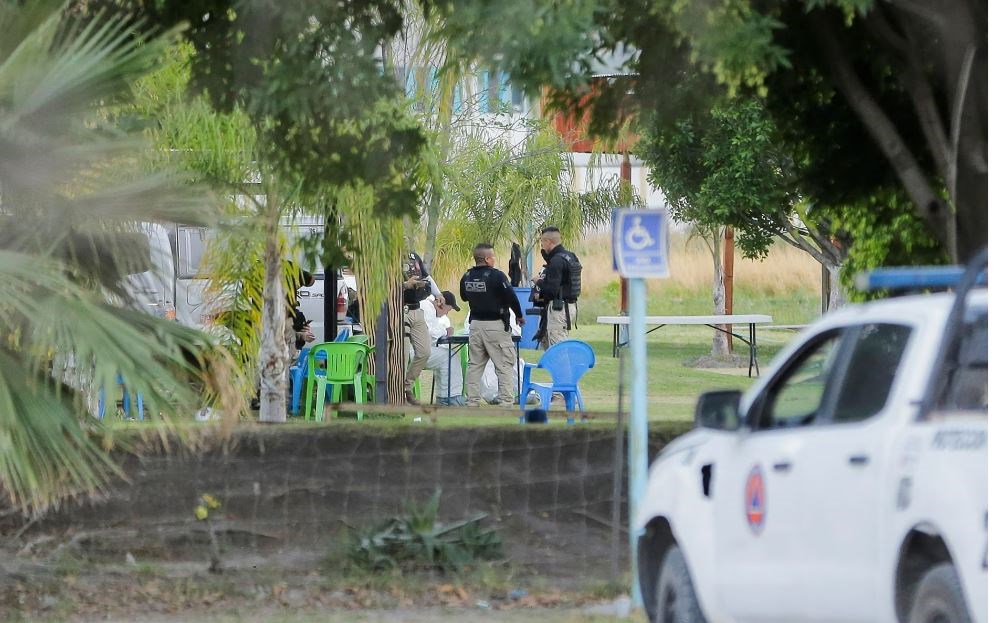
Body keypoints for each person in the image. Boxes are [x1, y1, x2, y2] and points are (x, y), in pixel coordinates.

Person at [459, 243, 525, 407]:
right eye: (493, 257)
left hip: (475, 326)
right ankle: (506, 401)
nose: (494, 260)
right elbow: (511, 297)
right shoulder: (497, 276)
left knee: (475, 366)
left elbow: (463, 297)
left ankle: (472, 401)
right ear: (488, 259)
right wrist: (519, 315)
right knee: (504, 365)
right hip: (495, 326)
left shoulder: (467, 276)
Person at [402, 251, 443, 405]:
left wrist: (437, 294)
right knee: (403, 355)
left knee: (425, 351)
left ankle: (407, 385)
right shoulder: (387, 256)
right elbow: (383, 284)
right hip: (401, 310)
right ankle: (401, 392)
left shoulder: (413, 255)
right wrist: (406, 285)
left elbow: (426, 276)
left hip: (416, 309)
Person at [533, 227, 581, 349]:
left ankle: (564, 368)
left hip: (558, 308)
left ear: (549, 241)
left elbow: (551, 290)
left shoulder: (556, 261)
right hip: (567, 306)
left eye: (542, 242)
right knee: (551, 346)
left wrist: (539, 282)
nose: (542, 246)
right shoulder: (570, 256)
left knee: (558, 348)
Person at [420, 290, 465, 405]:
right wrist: (445, 331)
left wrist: (443, 331)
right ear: (441, 304)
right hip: (416, 352)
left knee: (446, 357)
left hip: (417, 350)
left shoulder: (427, 307)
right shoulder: (427, 308)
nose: (446, 314)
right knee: (450, 357)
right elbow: (432, 333)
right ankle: (451, 399)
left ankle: (444, 398)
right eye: (448, 310)